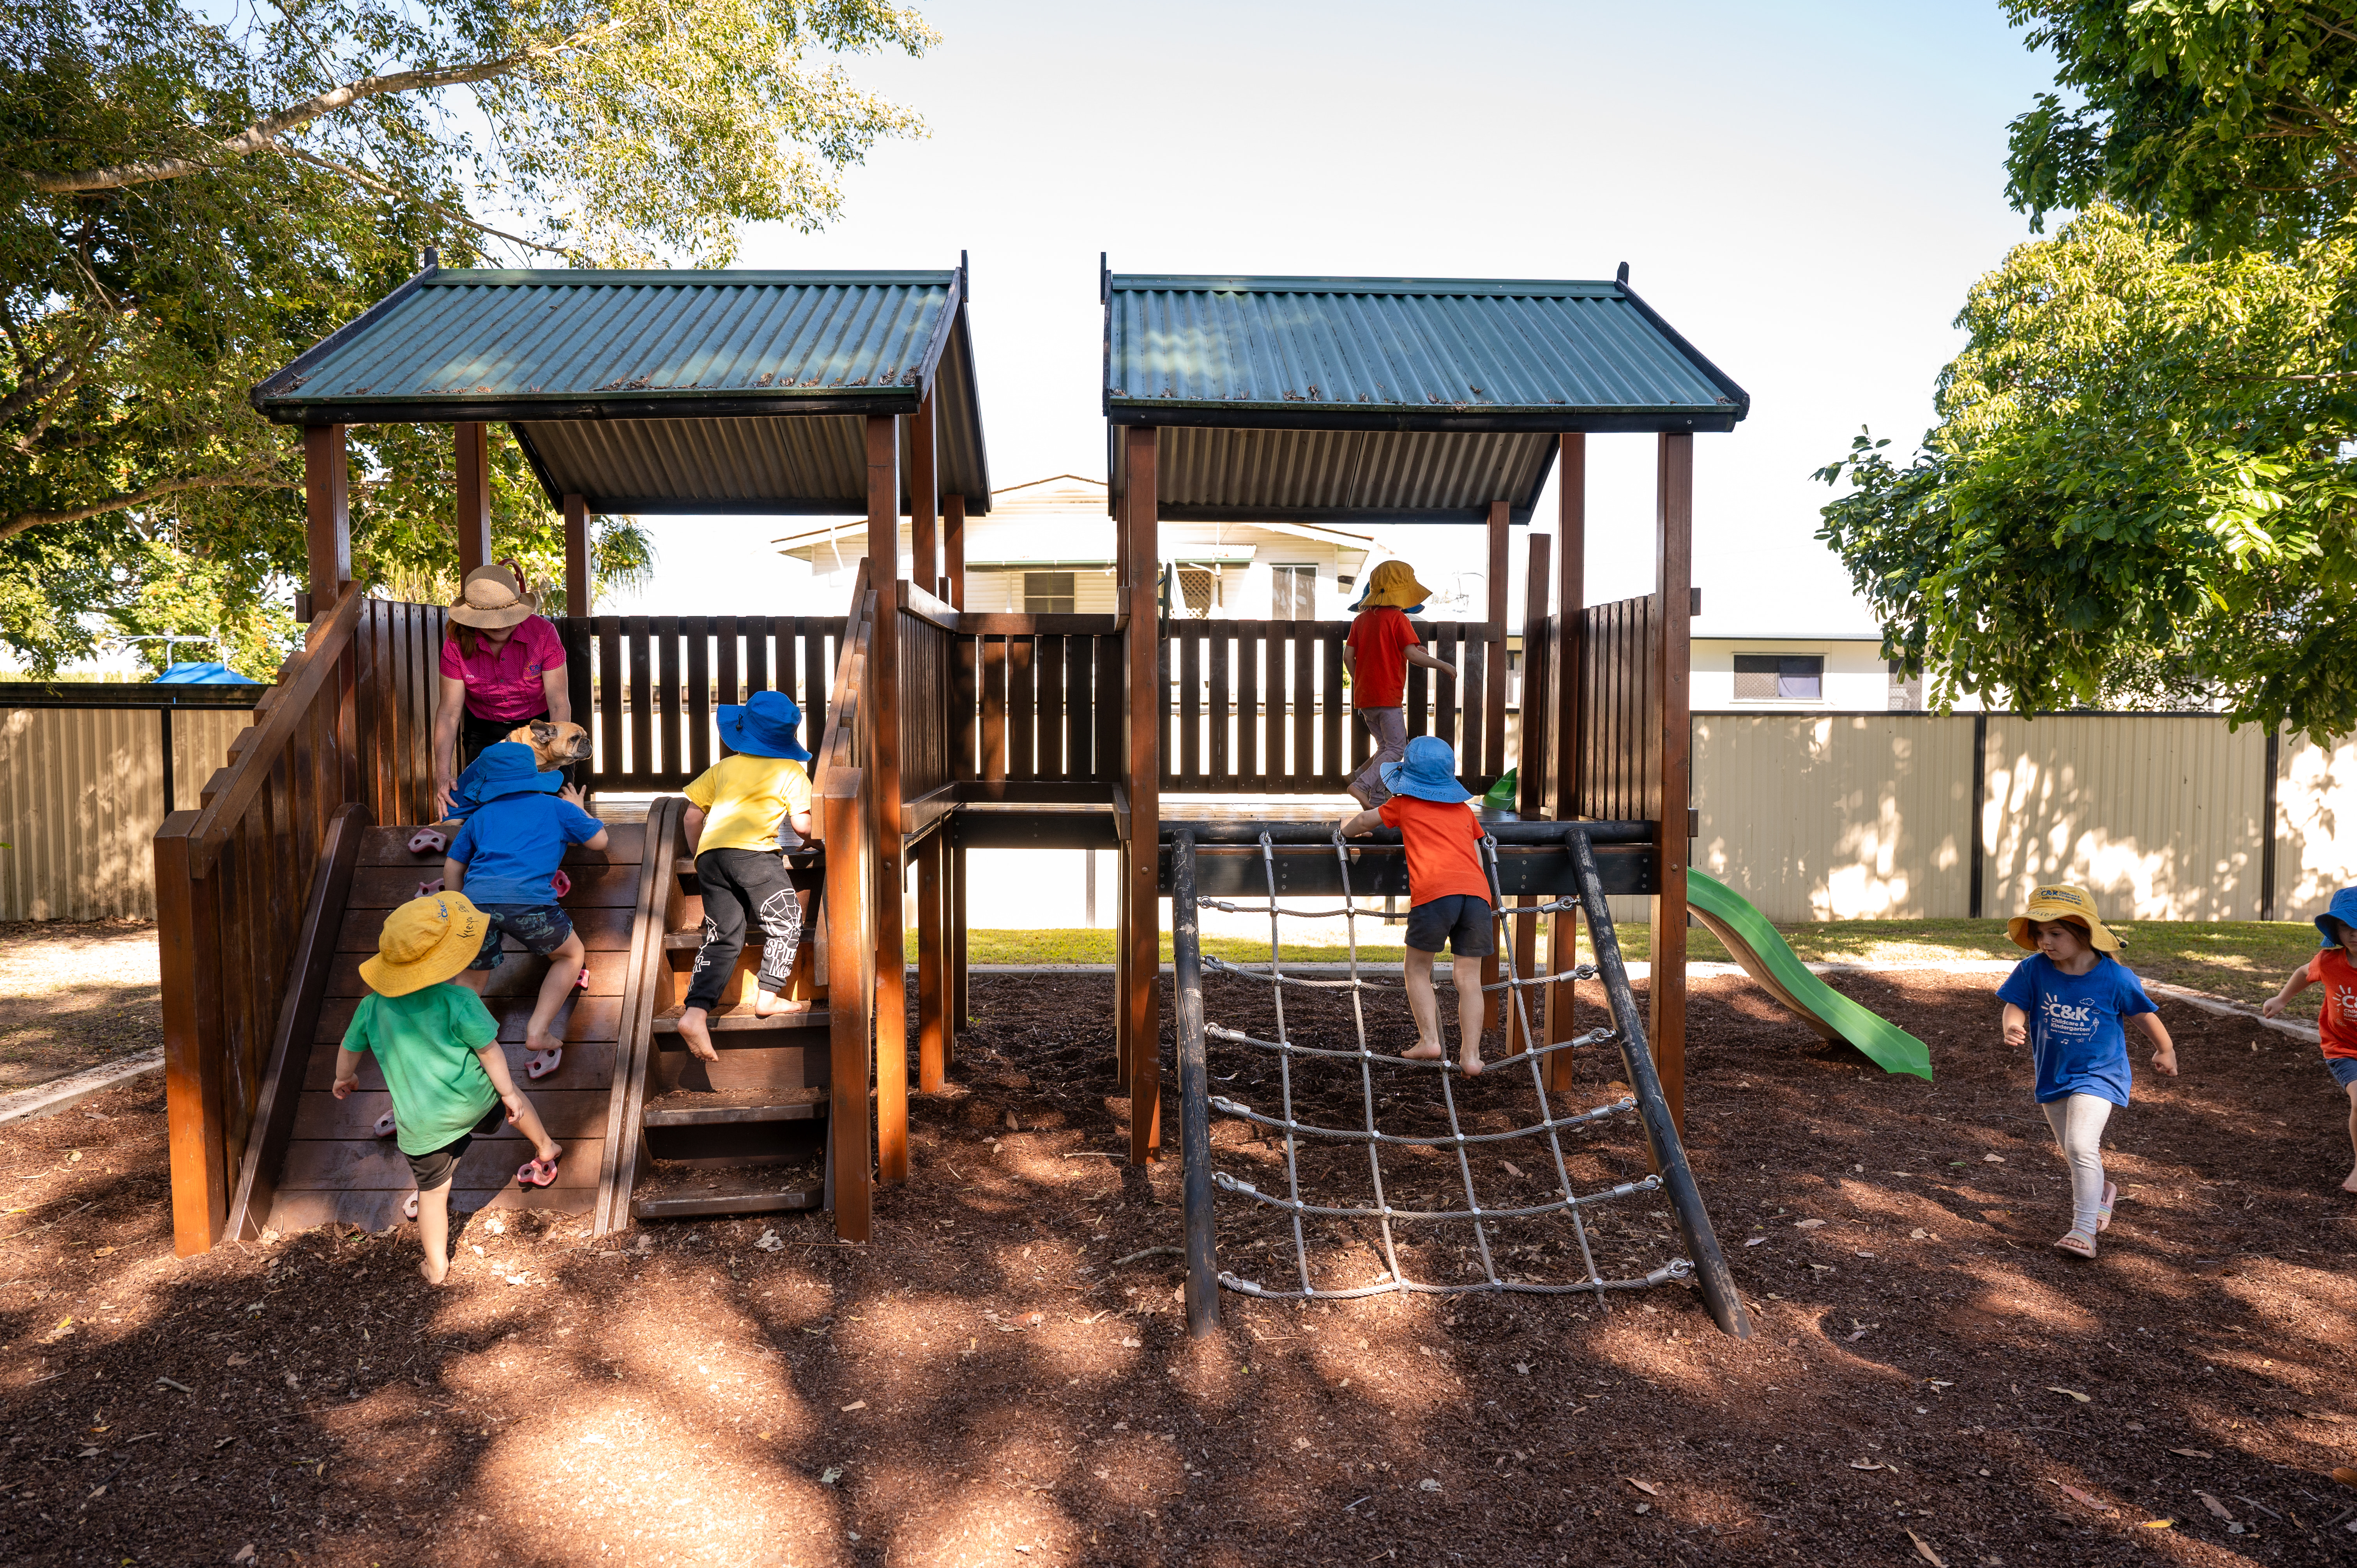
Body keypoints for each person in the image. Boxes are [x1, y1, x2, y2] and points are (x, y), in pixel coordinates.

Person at [331, 890, 564, 1285]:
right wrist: (507, 1093)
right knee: (515, 1101)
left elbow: (350, 1047)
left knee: (434, 1195)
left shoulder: (371, 1007)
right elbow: (489, 1051)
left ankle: (437, 1266)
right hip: (476, 1098)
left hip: (423, 1125)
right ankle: (545, 1146)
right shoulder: (459, 999)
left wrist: (345, 1077)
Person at [1995, 885, 2179, 1258]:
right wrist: (2011, 1026)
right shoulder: (2034, 970)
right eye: (2040, 934)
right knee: (2073, 1152)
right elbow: (2015, 1004)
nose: (2045, 942)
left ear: (2083, 932)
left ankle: (2084, 1230)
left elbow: (2144, 1015)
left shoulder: (2115, 977)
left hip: (2100, 1075)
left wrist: (2166, 1049)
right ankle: (2103, 1191)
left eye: (2056, 934)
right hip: (2053, 1074)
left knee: (2081, 1146)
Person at [442, 742, 610, 1077]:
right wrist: (579, 808)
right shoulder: (557, 809)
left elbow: (453, 866)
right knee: (569, 956)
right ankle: (538, 1030)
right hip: (529, 903)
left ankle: (454, 1044)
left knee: (472, 980)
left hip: (477, 905)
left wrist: (458, 907)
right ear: (536, 776)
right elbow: (599, 842)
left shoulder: (481, 816)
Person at [1338, 734, 1494, 1075]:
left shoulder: (1405, 805)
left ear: (1407, 777)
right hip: (1478, 896)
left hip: (1436, 895)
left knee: (1417, 969)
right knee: (1468, 978)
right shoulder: (1464, 811)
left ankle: (1430, 1040)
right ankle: (1471, 1056)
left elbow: (1366, 821)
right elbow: (1479, 855)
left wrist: (1344, 831)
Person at [674, 690, 816, 1063]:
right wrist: (820, 839)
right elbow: (802, 826)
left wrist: (697, 856)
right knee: (786, 921)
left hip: (711, 857)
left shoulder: (724, 768)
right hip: (754, 856)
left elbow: (692, 816)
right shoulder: (791, 771)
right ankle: (768, 995)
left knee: (723, 936)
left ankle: (695, 1013)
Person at [431, 562, 572, 819]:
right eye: (488, 619)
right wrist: (442, 775)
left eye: (506, 617)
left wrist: (553, 751)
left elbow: (559, 701)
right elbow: (449, 714)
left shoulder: (543, 634)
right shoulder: (456, 644)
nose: (499, 625)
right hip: (486, 730)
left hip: (540, 727)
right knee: (488, 808)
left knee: (552, 804)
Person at [2257, 885, 2357, 1194]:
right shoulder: (2329, 960)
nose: (2353, 933)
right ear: (2334, 930)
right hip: (2344, 1049)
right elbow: (2304, 971)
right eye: (2345, 926)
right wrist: (2282, 999)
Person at [1340, 560, 1456, 809]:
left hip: (1365, 699)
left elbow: (1349, 657)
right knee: (1397, 748)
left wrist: (1360, 679)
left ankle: (1378, 802)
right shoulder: (1398, 619)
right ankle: (1360, 785)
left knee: (1385, 747)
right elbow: (1412, 657)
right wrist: (1444, 665)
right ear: (1402, 594)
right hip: (1387, 698)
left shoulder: (1360, 621)